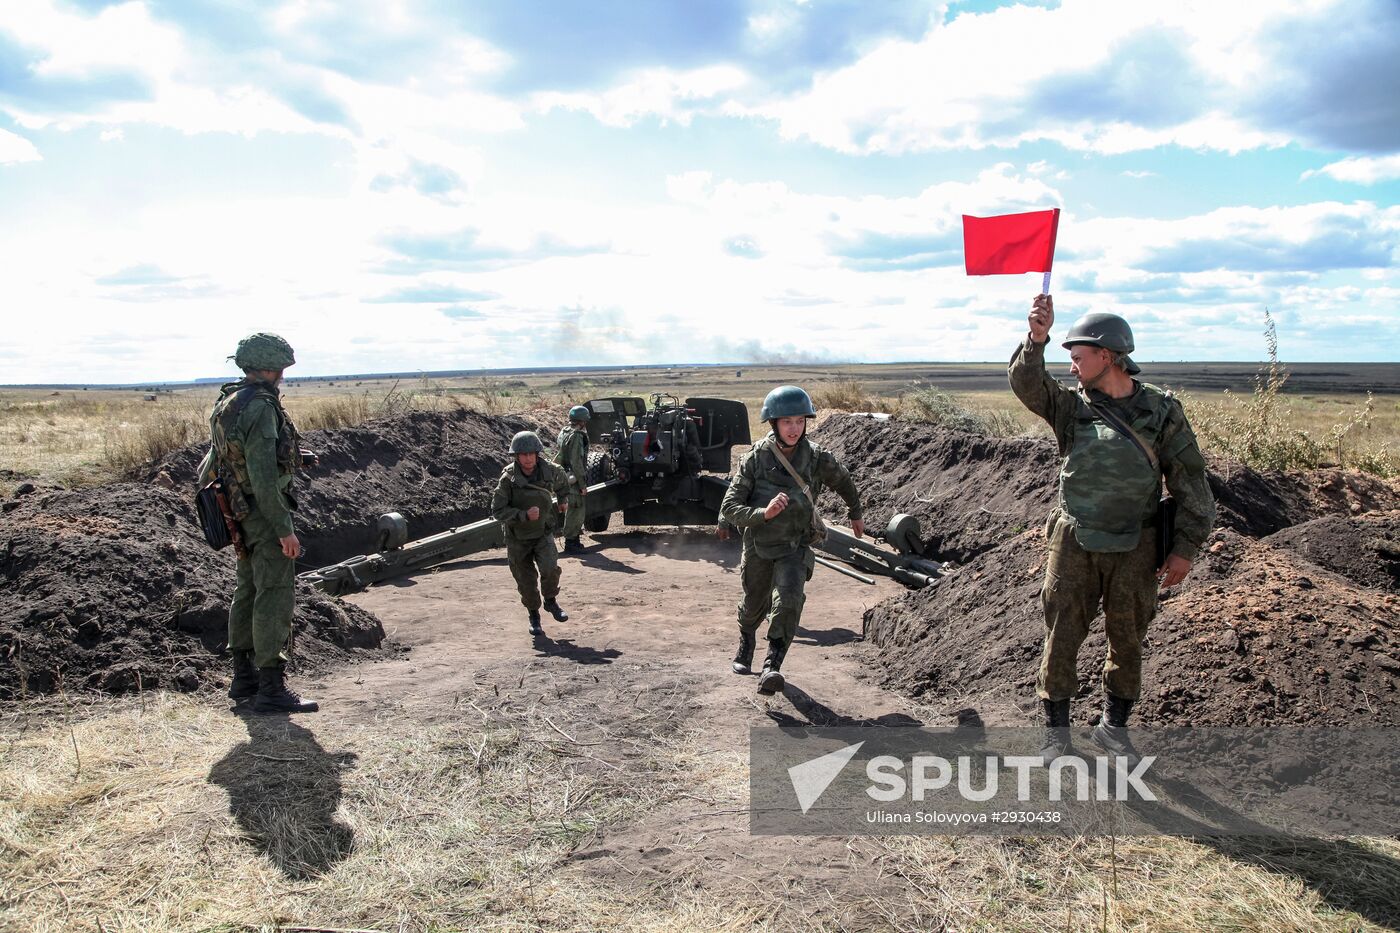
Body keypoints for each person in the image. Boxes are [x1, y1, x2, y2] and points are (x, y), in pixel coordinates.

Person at [1009, 295, 1215, 762]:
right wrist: (1036, 339)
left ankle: (1113, 726)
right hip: (1075, 541)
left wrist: (1184, 548)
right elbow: (1026, 383)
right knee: (1061, 635)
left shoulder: (1162, 411)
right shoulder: (1070, 407)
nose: (1073, 365)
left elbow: (1189, 481)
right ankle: (1056, 734)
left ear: (1108, 355)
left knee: (1128, 636)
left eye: (1078, 356)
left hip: (1136, 545)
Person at [197, 333, 318, 714]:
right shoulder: (262, 406)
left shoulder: (228, 400)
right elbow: (264, 477)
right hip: (263, 514)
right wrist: (284, 529)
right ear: (272, 367)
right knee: (274, 593)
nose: (283, 375)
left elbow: (217, 461)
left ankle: (243, 678)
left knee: (247, 589)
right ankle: (271, 687)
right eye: (281, 368)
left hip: (238, 510)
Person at [720, 385, 864, 695]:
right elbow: (729, 507)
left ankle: (772, 665)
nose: (794, 428)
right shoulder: (755, 458)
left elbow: (843, 480)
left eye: (799, 421)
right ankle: (746, 642)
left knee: (788, 602)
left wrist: (855, 511)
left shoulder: (815, 457)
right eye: (787, 422)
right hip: (759, 545)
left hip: (795, 545)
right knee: (754, 603)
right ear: (773, 423)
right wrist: (764, 514)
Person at [492, 431, 571, 636]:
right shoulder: (508, 479)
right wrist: (523, 515)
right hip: (518, 538)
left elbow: (563, 483)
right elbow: (497, 511)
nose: (527, 459)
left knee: (550, 568)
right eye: (522, 454)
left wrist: (563, 500)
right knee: (525, 580)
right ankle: (534, 615)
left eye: (531, 454)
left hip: (543, 533)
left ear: (537, 454)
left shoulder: (550, 471)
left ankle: (551, 601)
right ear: (516, 456)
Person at [555, 405, 591, 554]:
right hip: (573, 479)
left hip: (564, 475)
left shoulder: (565, 431)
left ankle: (575, 541)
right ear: (582, 421)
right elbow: (576, 462)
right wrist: (582, 484)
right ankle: (571, 543)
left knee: (574, 510)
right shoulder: (576, 436)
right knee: (575, 510)